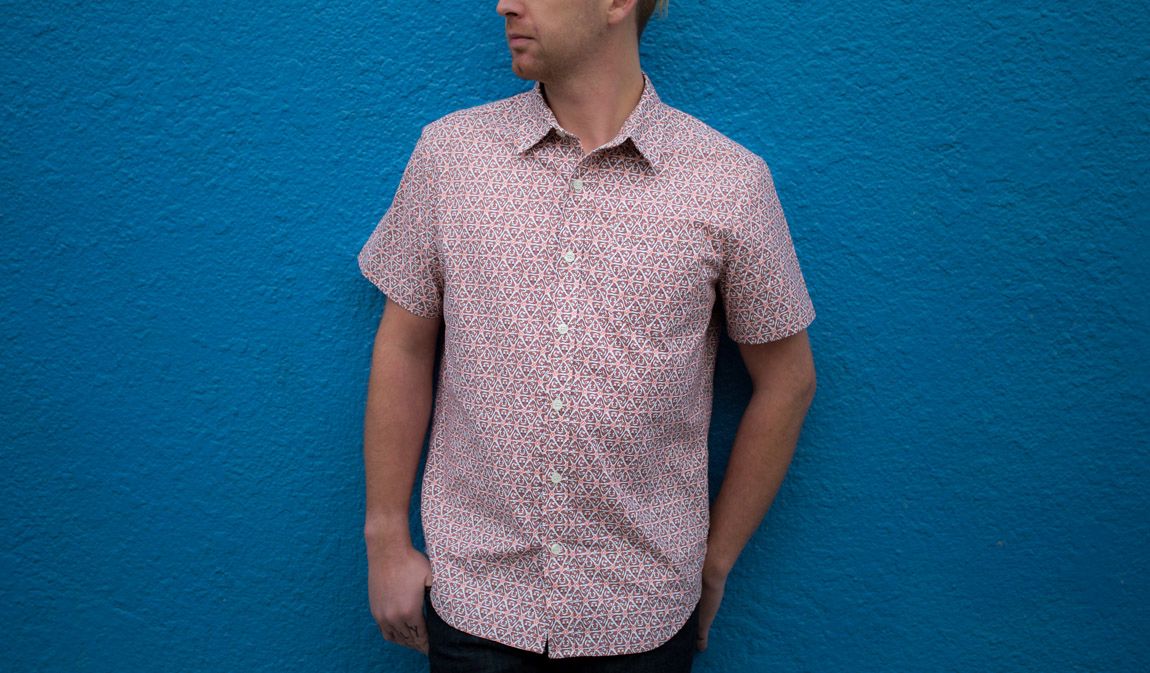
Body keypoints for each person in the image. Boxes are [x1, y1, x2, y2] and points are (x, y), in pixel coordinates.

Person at [357, 1, 817, 670]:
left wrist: (714, 562)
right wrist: (386, 540)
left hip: (643, 615)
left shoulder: (728, 183)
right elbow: (404, 345)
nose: (504, 4)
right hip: (476, 604)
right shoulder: (451, 156)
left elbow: (788, 382)